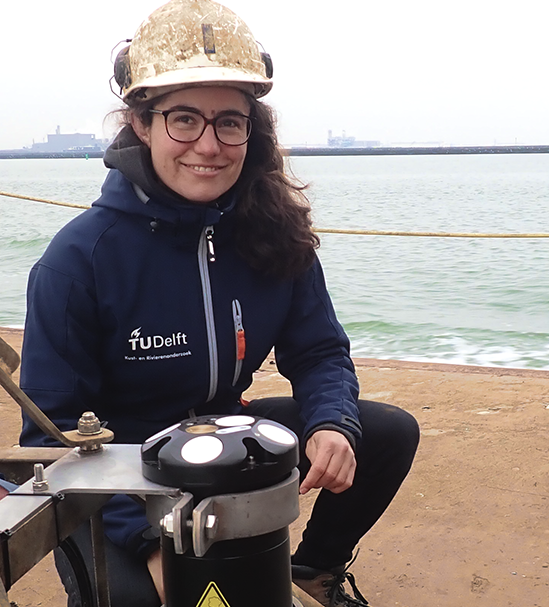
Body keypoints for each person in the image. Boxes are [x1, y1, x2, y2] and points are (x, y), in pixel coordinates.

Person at [17, 1, 419, 605]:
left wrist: (332, 424)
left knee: (384, 432)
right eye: (184, 119)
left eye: (229, 122)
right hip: (115, 479)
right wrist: (153, 543)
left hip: (224, 439)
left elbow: (318, 351)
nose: (209, 145)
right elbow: (50, 442)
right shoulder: (80, 262)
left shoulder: (274, 229)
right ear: (141, 123)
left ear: (250, 130)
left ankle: (313, 569)